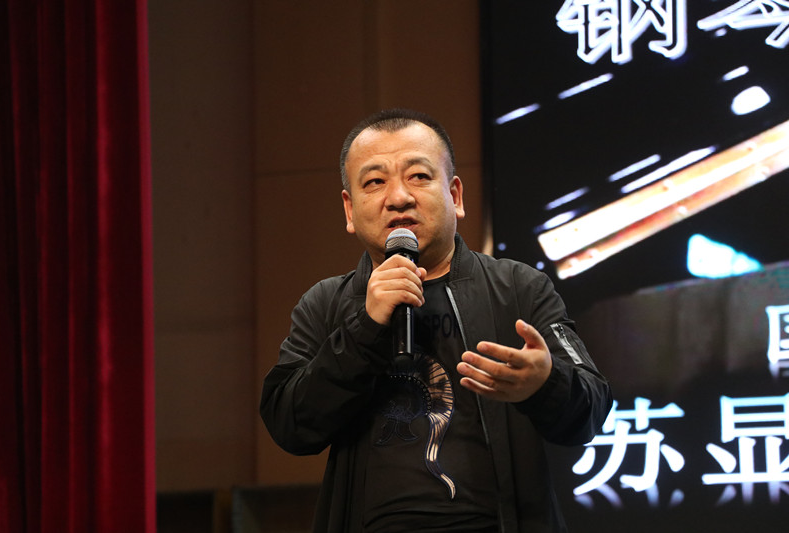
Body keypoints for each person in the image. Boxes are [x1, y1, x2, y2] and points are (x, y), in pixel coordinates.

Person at [260, 109, 612, 532]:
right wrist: (364, 328)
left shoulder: (520, 288)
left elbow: (592, 410)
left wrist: (546, 382)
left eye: (419, 176)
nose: (398, 197)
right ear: (350, 210)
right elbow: (289, 426)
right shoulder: (325, 304)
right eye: (375, 182)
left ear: (455, 195)